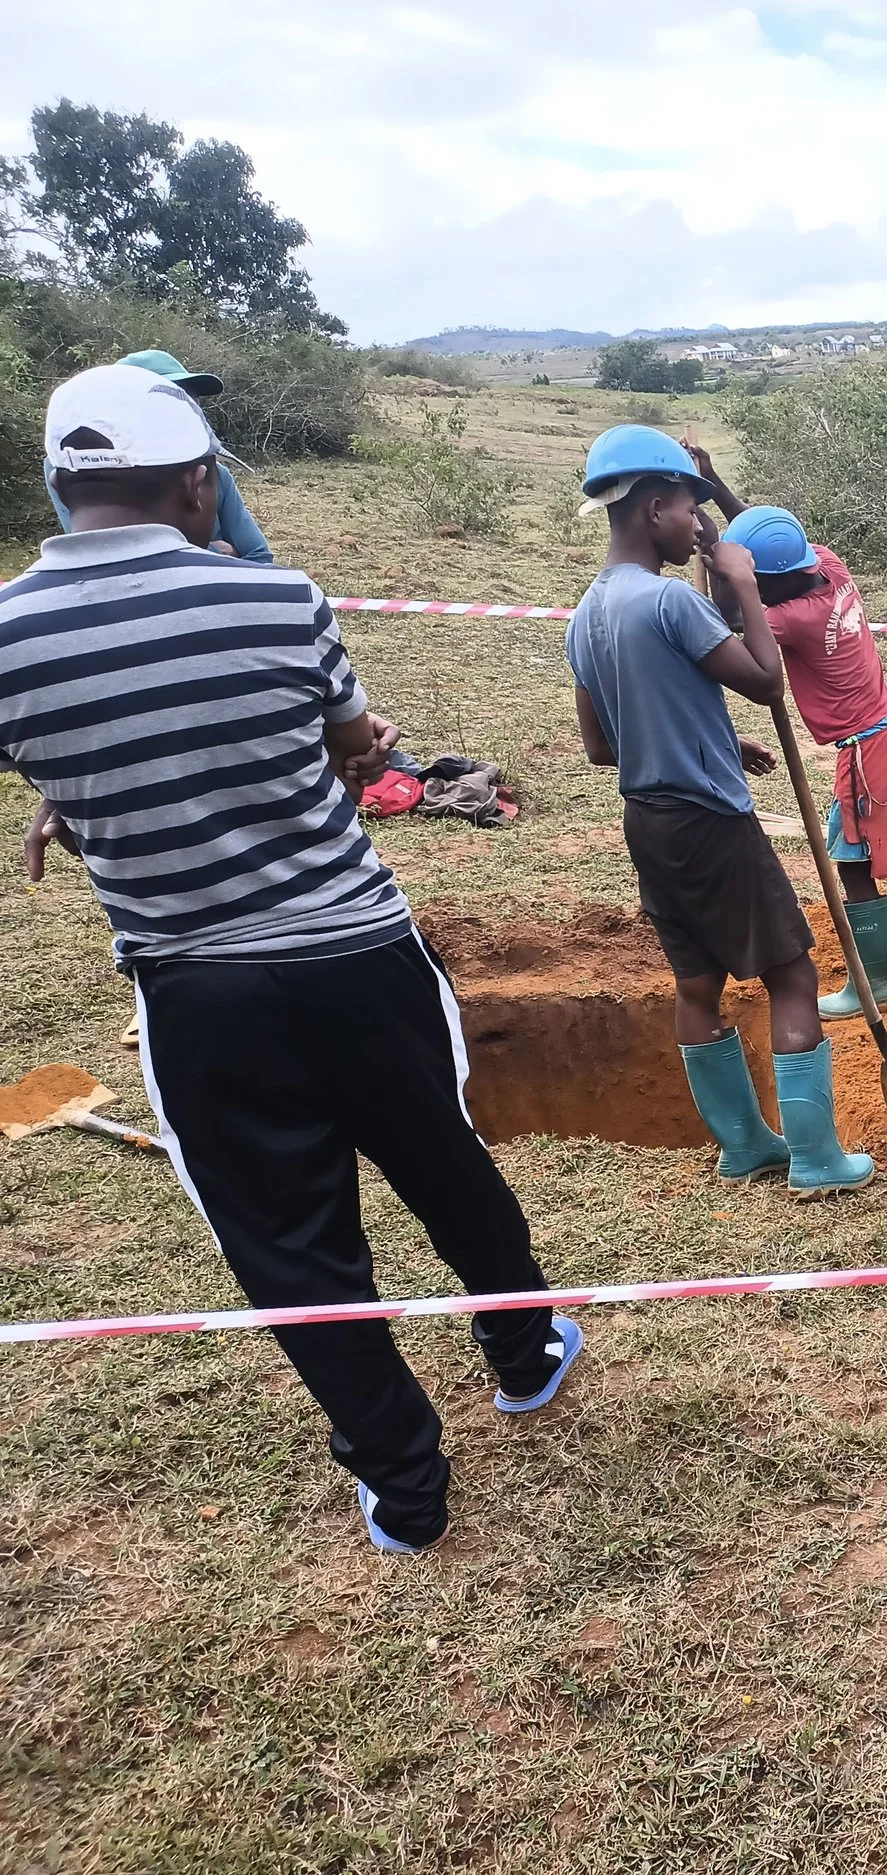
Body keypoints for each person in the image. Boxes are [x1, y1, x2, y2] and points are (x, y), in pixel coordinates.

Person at [2, 364, 581, 1557]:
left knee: (289, 1245)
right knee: (443, 1159)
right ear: (198, 484)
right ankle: (525, 1356)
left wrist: (81, 798)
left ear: (58, 486)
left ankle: (405, 1491)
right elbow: (357, 755)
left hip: (198, 991)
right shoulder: (278, 600)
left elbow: (69, 752)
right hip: (359, 955)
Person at [565, 425, 873, 1194]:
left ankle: (744, 1146)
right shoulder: (672, 601)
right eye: (688, 513)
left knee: (696, 984)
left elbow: (603, 746)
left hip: (649, 821)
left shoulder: (585, 615)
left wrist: (711, 738)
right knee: (793, 976)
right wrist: (737, 579)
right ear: (651, 506)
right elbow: (768, 681)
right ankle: (814, 1159)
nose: (697, 529)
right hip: (709, 822)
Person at [692, 452, 887, 1016]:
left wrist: (719, 564)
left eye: (757, 580)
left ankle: (878, 985)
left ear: (769, 583)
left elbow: (728, 621)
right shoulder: (828, 565)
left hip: (865, 750)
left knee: (853, 863)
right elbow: (770, 542)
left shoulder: (792, 620)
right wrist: (714, 487)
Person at [45, 350, 273, 563]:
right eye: (170, 398)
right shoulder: (73, 469)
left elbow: (259, 555)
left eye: (191, 399)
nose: (189, 409)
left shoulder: (216, 473)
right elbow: (101, 551)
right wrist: (216, 552)